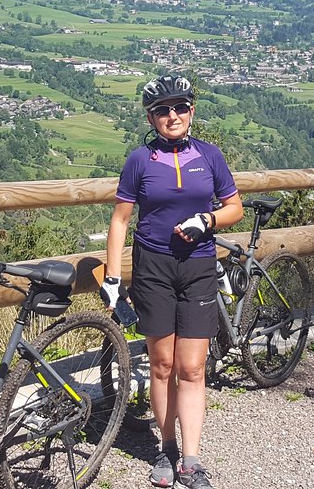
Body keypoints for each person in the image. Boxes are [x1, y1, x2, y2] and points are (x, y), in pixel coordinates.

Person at [102, 75, 243, 489]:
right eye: (163, 110)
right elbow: (120, 220)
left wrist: (208, 220)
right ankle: (165, 450)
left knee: (193, 368)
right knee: (162, 366)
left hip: (198, 267)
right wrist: (113, 277)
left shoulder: (210, 155)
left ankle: (192, 460)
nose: (173, 115)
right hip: (153, 270)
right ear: (151, 117)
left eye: (180, 107)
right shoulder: (140, 161)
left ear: (191, 111)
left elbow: (234, 207)